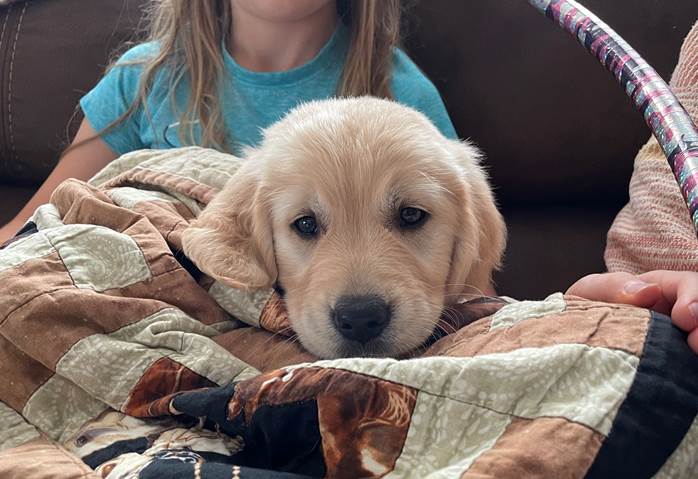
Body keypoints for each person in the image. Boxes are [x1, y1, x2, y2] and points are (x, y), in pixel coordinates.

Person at [0, 0, 695, 353]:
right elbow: (44, 226)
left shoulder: (397, 89)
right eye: (308, 225)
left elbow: (473, 291)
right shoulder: (145, 77)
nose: (359, 295)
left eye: (408, 216)